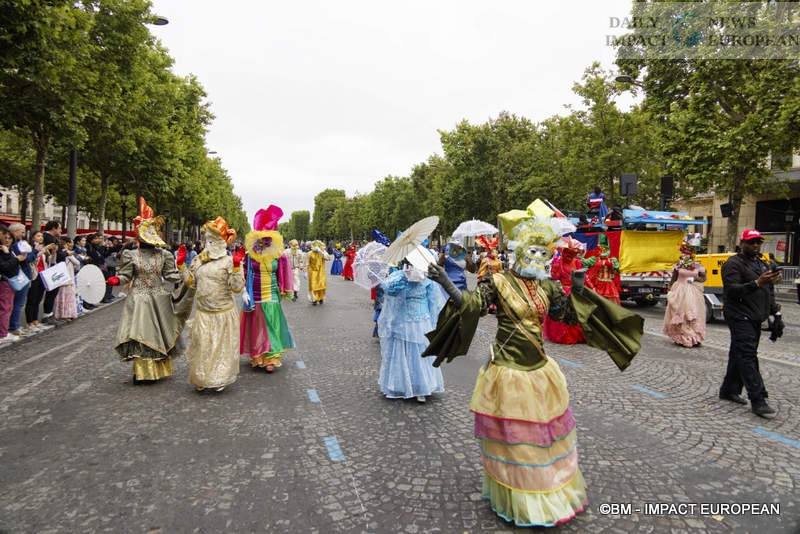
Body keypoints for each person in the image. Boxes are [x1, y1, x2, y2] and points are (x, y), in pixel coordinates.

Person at [423, 202, 643, 528]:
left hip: (540, 371)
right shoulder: (497, 282)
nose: (538, 257)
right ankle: (519, 495)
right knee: (515, 440)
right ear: (519, 251)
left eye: (544, 252)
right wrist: (447, 283)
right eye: (533, 251)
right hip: (507, 371)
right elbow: (473, 306)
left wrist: (578, 289)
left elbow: (563, 316)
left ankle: (545, 488)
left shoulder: (547, 286)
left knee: (542, 437)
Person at [107, 197, 194, 384]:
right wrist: (117, 279)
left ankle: (157, 370)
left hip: (159, 299)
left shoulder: (163, 255)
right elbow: (125, 275)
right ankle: (142, 371)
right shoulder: (130, 255)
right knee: (140, 334)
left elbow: (171, 276)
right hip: (138, 300)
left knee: (158, 334)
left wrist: (182, 268)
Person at [718, 228, 783, 417]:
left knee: (739, 352)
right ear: (742, 244)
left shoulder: (763, 264)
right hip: (739, 315)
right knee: (747, 355)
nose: (755, 246)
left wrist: (775, 314)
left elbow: (768, 291)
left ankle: (729, 389)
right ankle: (758, 398)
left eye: (758, 242)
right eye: (751, 242)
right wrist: (756, 283)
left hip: (755, 315)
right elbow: (731, 290)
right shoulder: (733, 264)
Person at [179, 217, 245, 392]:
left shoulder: (229, 261)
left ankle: (219, 377)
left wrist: (238, 268)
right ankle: (201, 376)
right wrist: (181, 266)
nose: (208, 244)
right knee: (203, 346)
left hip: (222, 313)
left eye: (212, 240)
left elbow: (237, 288)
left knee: (220, 348)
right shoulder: (199, 261)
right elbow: (190, 283)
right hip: (203, 313)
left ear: (221, 242)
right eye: (207, 240)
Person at [377, 262, 446, 403]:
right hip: (402, 321)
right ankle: (400, 384)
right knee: (402, 351)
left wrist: (435, 323)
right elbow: (388, 290)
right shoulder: (398, 276)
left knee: (420, 352)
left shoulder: (428, 279)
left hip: (421, 321)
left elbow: (434, 303)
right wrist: (403, 279)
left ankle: (421, 387)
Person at [240, 205, 295, 372]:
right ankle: (258, 355)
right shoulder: (250, 254)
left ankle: (271, 356)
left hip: (271, 292)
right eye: (262, 237)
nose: (265, 240)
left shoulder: (279, 254)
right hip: (254, 293)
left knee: (271, 323)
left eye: (268, 237)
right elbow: (244, 272)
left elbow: (284, 273)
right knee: (256, 326)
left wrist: (286, 289)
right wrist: (243, 290)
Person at [543, 236, 590, 344]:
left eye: (573, 252)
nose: (570, 255)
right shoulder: (558, 262)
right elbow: (555, 278)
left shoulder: (577, 262)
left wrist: (590, 287)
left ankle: (579, 335)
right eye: (568, 252)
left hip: (576, 291)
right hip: (563, 291)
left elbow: (583, 276)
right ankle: (563, 334)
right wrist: (554, 270)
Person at [662, 233, 707, 347]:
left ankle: (694, 336)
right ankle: (682, 336)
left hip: (692, 291)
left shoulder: (697, 265)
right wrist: (670, 287)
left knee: (693, 313)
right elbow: (674, 277)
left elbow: (703, 278)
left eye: (689, 253)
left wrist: (694, 278)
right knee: (679, 312)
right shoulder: (679, 265)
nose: (686, 256)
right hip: (680, 290)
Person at [8, 223, 35, 337]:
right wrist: (35, 252)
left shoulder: (17, 244)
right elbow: (25, 259)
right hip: (18, 277)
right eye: (22, 232)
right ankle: (13, 326)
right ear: (14, 232)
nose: (24, 234)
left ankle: (13, 326)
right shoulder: (15, 245)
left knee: (16, 304)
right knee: (17, 304)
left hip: (20, 276)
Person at [582, 234, 621, 305]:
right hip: (598, 284)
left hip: (609, 285)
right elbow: (584, 262)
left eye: (604, 249)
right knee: (598, 302)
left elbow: (617, 272)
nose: (602, 251)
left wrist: (613, 266)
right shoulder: (594, 259)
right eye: (600, 249)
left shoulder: (612, 260)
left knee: (610, 304)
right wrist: (578, 256)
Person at [40, 220, 64, 325]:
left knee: (53, 293)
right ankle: (47, 315)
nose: (60, 230)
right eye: (59, 228)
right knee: (51, 292)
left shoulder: (52, 238)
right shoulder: (48, 238)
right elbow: (53, 253)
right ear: (53, 228)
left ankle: (49, 314)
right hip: (50, 268)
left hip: (53, 266)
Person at [23, 231, 48, 331]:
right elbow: (30, 260)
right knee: (31, 299)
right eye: (38, 236)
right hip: (34, 275)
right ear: (33, 238)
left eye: (41, 236)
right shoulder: (30, 248)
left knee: (38, 299)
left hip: (42, 275)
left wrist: (50, 252)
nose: (41, 237)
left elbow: (48, 261)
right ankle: (29, 321)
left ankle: (35, 320)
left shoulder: (41, 249)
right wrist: (40, 251)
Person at [0, 226, 21, 342]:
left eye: (9, 238)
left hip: (10, 281)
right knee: (5, 308)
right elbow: (6, 267)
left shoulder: (10, 250)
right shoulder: (4, 251)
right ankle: (3, 333)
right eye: (5, 238)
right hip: (5, 281)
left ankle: (3, 331)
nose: (7, 240)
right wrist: (16, 259)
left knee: (7, 307)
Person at [53, 237, 80, 323]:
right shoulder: (67, 254)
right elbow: (77, 263)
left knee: (60, 297)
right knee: (68, 298)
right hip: (68, 278)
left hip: (60, 278)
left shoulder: (57, 254)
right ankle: (67, 314)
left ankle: (58, 313)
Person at [307, 239, 329, 304]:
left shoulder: (322, 253)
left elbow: (328, 258)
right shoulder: (310, 253)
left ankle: (321, 298)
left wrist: (321, 252)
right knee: (313, 285)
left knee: (321, 285)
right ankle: (314, 299)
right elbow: (307, 263)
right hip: (313, 271)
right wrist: (305, 272)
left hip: (321, 272)